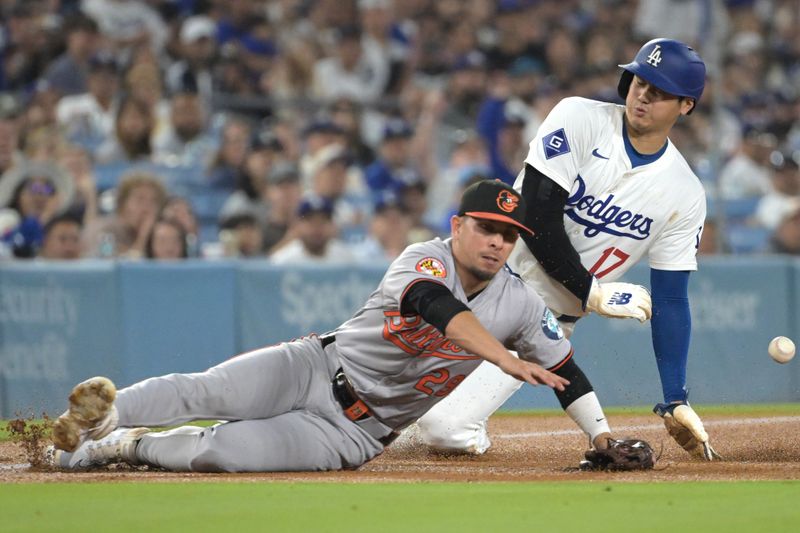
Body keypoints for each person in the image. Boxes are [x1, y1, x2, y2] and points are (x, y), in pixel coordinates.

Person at [47, 179, 612, 472]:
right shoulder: (424, 256)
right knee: (208, 389)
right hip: (315, 366)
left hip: (352, 434)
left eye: (509, 235)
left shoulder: (517, 302)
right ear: (457, 225)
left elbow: (567, 370)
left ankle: (118, 447)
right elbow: (436, 307)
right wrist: (504, 358)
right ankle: (104, 414)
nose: (498, 241)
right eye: (487, 227)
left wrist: (602, 436)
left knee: (223, 453)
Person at [415, 38, 721, 461]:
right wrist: (592, 291)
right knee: (372, 402)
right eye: (639, 81)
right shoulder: (579, 116)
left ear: (686, 105)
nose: (643, 95)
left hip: (533, 324)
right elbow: (538, 215)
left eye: (660, 90)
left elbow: (670, 297)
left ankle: (468, 428)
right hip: (471, 285)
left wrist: (675, 395)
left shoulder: (684, 193)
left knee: (441, 429)